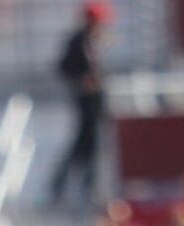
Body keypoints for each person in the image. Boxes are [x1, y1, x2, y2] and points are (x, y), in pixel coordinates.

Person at [49, 2, 110, 208]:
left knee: (93, 146)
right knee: (82, 145)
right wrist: (82, 80)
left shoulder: (94, 41)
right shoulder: (78, 41)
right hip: (85, 102)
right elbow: (63, 68)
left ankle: (87, 188)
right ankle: (62, 186)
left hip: (95, 102)